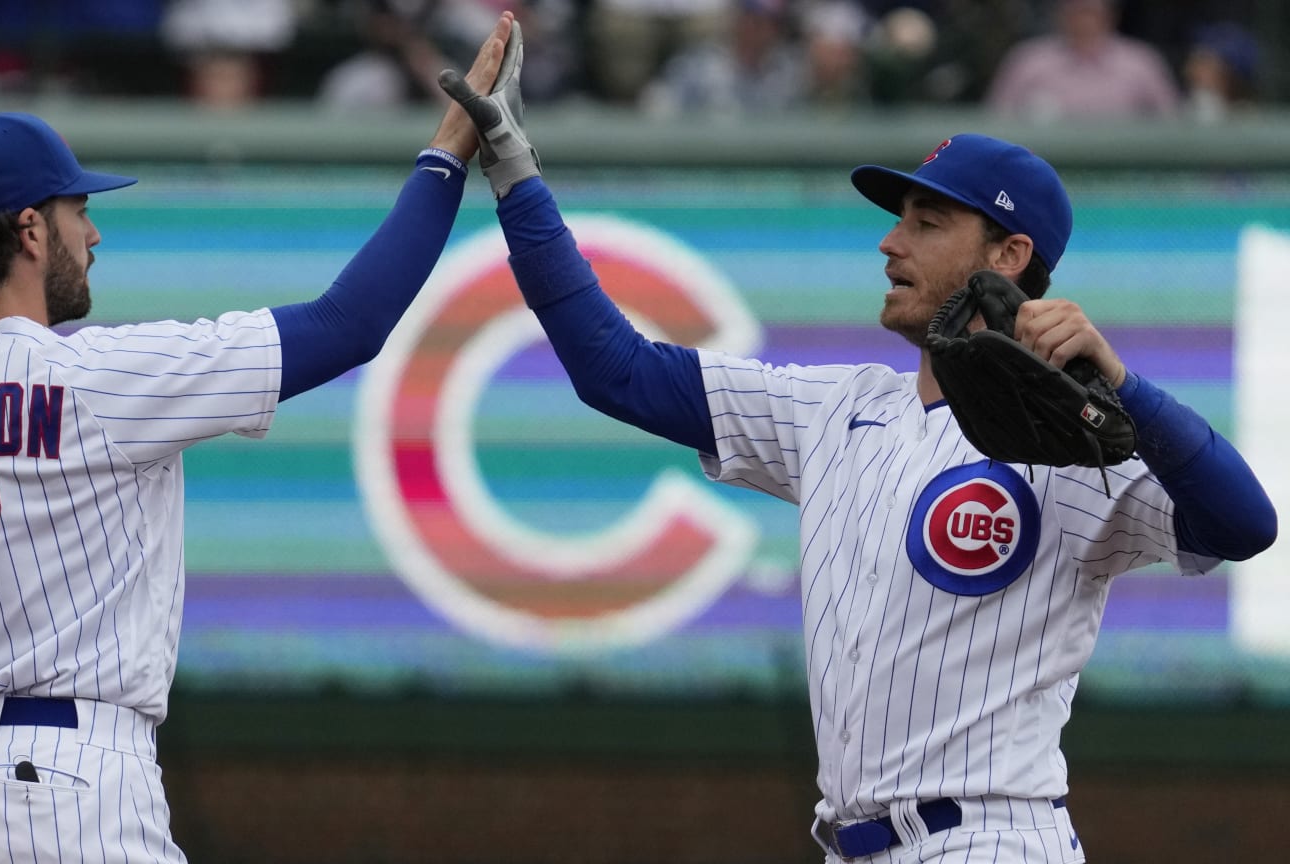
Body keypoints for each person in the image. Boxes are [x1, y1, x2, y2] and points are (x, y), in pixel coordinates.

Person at [440, 34, 1277, 863]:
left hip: (992, 838)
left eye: (928, 222)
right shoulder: (835, 408)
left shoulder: (1078, 442)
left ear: (1009, 257)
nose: (891, 242)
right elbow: (613, 370)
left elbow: (1246, 524)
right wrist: (514, 171)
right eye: (898, 221)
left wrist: (1124, 390)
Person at [0, 11, 516, 861]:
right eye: (76, 210)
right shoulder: (98, 377)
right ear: (28, 229)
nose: (93, 234)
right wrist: (446, 152)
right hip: (73, 780)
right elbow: (350, 324)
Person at [986, 0, 1178, 120]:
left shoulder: (1140, 62)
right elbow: (996, 122)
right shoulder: (1028, 60)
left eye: (1090, 12)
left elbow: (1173, 122)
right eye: (1076, 12)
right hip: (1043, 171)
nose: (1083, 21)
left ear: (1110, 16)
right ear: (1060, 14)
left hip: (1128, 176)